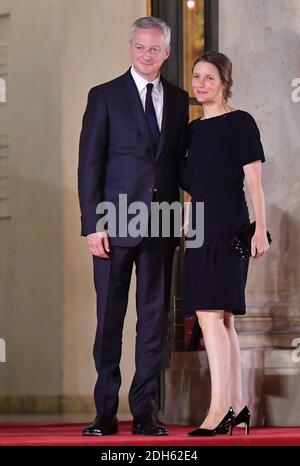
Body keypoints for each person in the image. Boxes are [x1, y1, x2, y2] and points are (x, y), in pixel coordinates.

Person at [78, 17, 189, 436]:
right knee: (109, 322)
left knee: (154, 324)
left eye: (154, 49)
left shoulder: (178, 102)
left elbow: (178, 165)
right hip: (113, 227)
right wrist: (93, 225)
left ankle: (144, 413)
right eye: (140, 47)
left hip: (161, 228)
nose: (146, 55)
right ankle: (105, 413)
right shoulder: (104, 96)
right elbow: (90, 166)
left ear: (167, 52)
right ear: (131, 49)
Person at [183, 51, 270, 436]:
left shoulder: (241, 123)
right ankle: (237, 403)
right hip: (200, 228)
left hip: (229, 225)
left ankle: (219, 409)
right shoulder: (192, 131)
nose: (201, 84)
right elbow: (192, 187)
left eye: (209, 78)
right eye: (196, 77)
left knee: (209, 315)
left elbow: (254, 183)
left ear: (224, 82)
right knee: (222, 319)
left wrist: (260, 229)